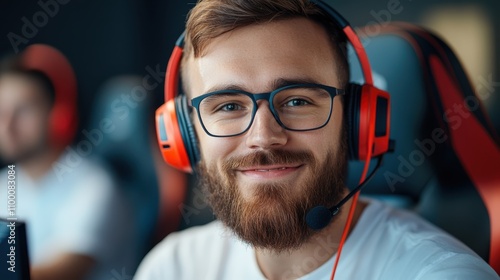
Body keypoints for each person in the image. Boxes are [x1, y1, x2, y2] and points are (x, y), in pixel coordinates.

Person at [134, 0, 500, 279]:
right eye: (228, 106)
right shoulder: (173, 267)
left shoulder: (438, 272)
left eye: (297, 100)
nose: (264, 137)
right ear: (185, 134)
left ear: (357, 120)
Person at [0, 45, 137, 280]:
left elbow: (62, 272)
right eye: (1, 111)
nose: (7, 125)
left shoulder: (94, 187)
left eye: (22, 110)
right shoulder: (6, 183)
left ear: (59, 116)